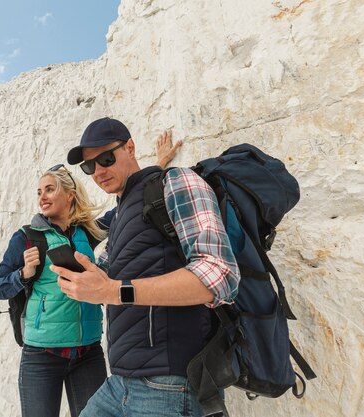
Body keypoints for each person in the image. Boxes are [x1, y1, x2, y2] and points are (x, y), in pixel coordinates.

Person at [52, 117, 241, 417]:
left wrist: (116, 291)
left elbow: (220, 275)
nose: (99, 171)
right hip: (120, 384)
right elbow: (105, 277)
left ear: (130, 147)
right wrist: (85, 278)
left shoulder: (177, 182)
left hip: (168, 385)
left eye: (106, 158)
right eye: (90, 166)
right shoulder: (122, 213)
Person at [0, 164, 111, 417]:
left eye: (49, 189)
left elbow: (124, 208)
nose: (42, 197)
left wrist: (158, 165)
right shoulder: (26, 236)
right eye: (38, 192)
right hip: (41, 355)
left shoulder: (87, 233)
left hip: (88, 352)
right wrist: (24, 274)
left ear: (69, 195)